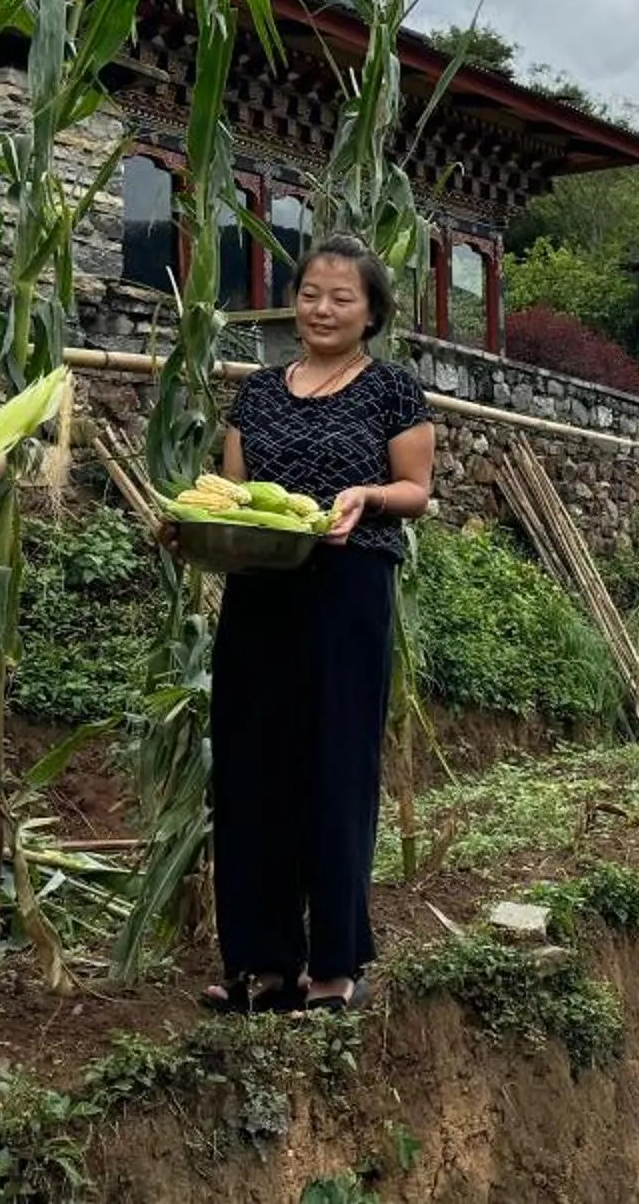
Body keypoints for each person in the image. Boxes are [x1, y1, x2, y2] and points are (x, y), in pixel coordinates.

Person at [201, 234, 436, 1017]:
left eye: (342, 298)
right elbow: (234, 495)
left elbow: (417, 490)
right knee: (248, 766)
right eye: (309, 293)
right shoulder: (259, 393)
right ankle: (263, 963)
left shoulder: (392, 390)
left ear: (371, 313)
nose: (322, 308)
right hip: (260, 586)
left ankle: (334, 962)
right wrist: (193, 528)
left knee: (334, 764)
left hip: (348, 585)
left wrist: (366, 496)